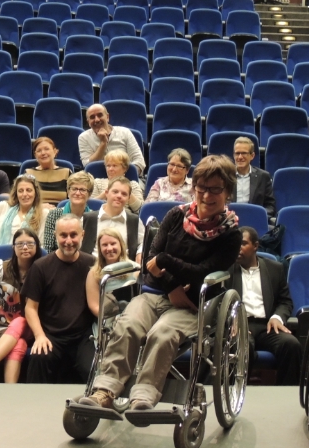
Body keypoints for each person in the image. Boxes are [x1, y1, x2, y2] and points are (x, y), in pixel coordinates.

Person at [80, 155, 242, 410]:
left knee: (162, 333)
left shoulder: (231, 234)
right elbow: (150, 261)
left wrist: (166, 261)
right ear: (194, 187)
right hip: (156, 293)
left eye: (215, 189)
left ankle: (143, 396)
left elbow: (201, 273)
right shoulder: (175, 216)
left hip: (192, 305)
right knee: (128, 325)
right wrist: (173, 287)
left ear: (228, 191)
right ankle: (105, 391)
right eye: (201, 187)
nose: (206, 195)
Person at [22, 214, 97, 383]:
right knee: (40, 357)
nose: (68, 241)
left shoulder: (92, 264)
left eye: (73, 235)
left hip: (83, 338)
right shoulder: (40, 267)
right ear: (55, 235)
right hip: (51, 336)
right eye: (63, 235)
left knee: (93, 368)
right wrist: (40, 336)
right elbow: (30, 308)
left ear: (82, 235)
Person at [228, 226, 301, 385]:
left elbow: (285, 301)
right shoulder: (227, 270)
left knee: (291, 345)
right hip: (241, 325)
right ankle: (237, 394)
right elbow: (219, 301)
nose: (238, 248)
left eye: (243, 244)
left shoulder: (275, 269)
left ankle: (286, 393)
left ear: (256, 246)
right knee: (242, 345)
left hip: (267, 325)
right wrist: (232, 319)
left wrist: (277, 317)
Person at [0, 228, 43, 382]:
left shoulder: (44, 270)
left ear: (37, 246)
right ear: (14, 248)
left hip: (33, 330)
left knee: (21, 321)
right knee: (19, 344)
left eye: (30, 244)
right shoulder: (2, 268)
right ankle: (10, 390)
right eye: (20, 244)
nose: (25, 247)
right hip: (2, 328)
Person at [81, 177, 143, 263]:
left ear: (128, 198)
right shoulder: (87, 219)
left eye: (124, 194)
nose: (119, 196)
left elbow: (143, 242)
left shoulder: (134, 221)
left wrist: (140, 253)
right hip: (92, 267)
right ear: (106, 193)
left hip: (125, 268)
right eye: (115, 192)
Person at [78, 104, 145, 176]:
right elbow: (88, 166)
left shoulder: (125, 132)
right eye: (92, 117)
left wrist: (122, 177)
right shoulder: (83, 137)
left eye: (100, 115)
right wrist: (103, 143)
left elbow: (139, 162)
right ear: (88, 122)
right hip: (97, 179)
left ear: (107, 117)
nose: (97, 120)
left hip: (127, 178)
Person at [85, 228, 137, 319]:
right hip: (106, 321)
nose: (109, 248)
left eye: (113, 244)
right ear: (100, 248)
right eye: (105, 245)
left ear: (121, 245)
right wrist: (112, 320)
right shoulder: (94, 274)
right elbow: (94, 306)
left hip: (131, 319)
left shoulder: (134, 269)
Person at [42, 171, 94, 253]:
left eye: (82, 190)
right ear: (68, 192)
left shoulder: (94, 218)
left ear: (89, 194)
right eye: (74, 189)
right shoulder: (54, 215)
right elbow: (48, 250)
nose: (77, 193)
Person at [231, 136, 276, 222]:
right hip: (230, 221)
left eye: (244, 153)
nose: (240, 157)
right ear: (233, 155)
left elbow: (270, 206)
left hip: (255, 221)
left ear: (252, 156)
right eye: (237, 153)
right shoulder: (225, 175)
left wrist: (258, 216)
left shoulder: (263, 176)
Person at [90, 150, 144, 214]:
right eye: (108, 166)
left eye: (114, 166)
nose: (110, 169)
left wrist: (127, 192)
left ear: (125, 168)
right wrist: (106, 193)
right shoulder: (97, 182)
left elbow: (141, 210)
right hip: (101, 216)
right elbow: (90, 206)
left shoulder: (133, 185)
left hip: (126, 217)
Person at [24, 136, 70, 206]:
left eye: (46, 149)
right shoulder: (28, 174)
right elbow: (23, 199)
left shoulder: (66, 173)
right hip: (36, 210)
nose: (43, 153)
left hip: (61, 211)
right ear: (35, 155)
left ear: (55, 151)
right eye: (39, 151)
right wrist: (39, 207)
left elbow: (74, 198)